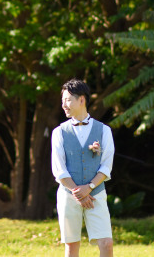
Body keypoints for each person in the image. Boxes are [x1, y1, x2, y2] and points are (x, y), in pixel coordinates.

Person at [51, 79, 115, 257]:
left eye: (68, 100)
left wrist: (90, 188)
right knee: (71, 246)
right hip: (68, 195)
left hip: (96, 194)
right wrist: (78, 192)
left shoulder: (104, 131)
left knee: (106, 243)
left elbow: (106, 166)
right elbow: (59, 170)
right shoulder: (58, 133)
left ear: (82, 100)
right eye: (62, 101)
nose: (64, 105)